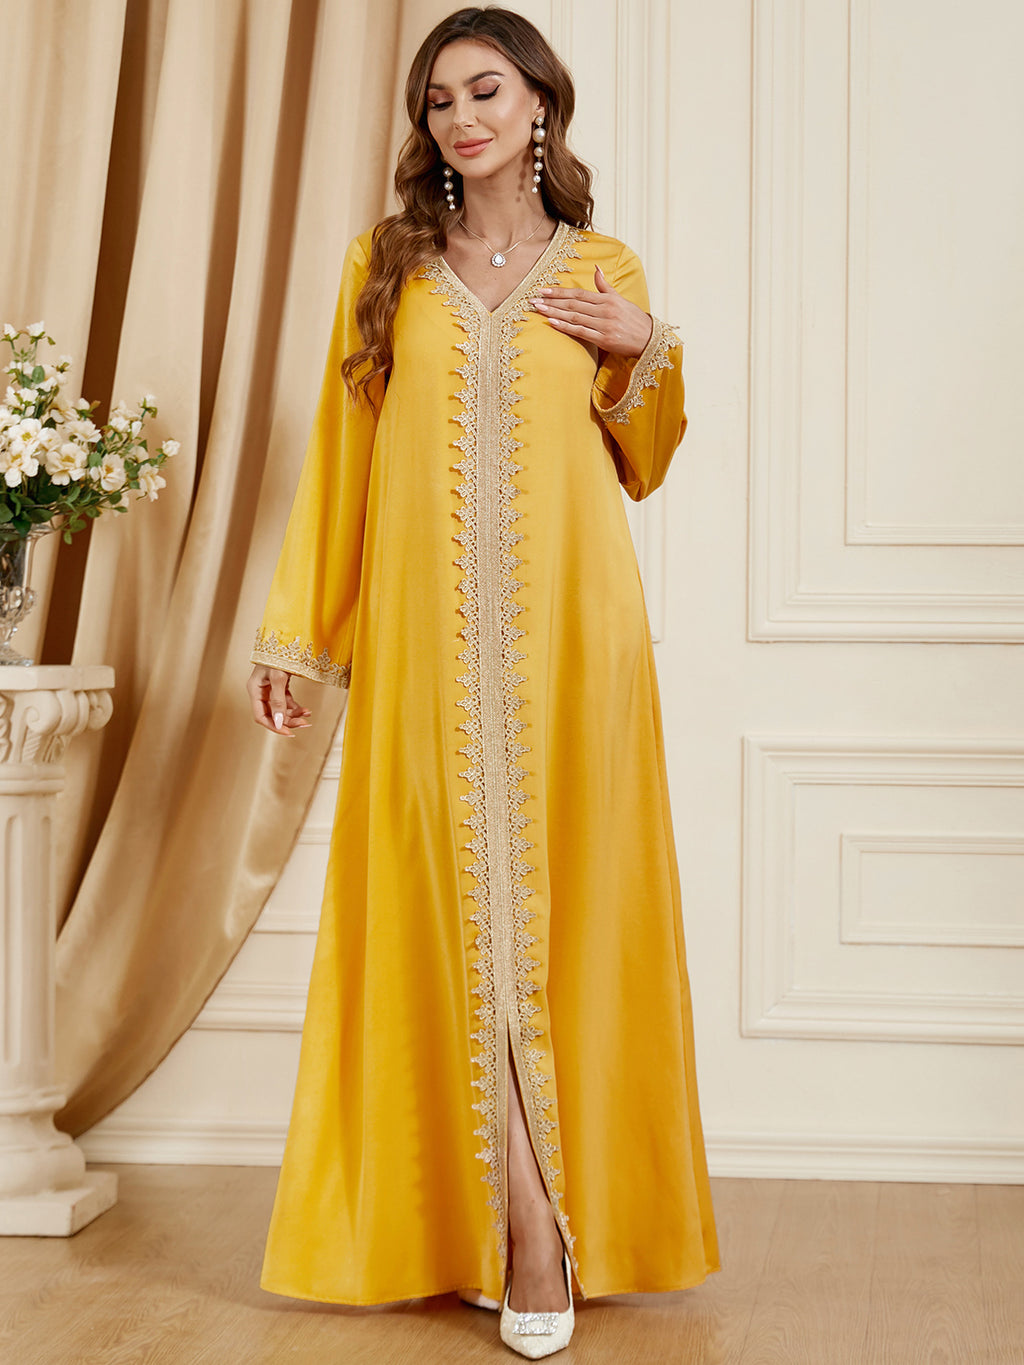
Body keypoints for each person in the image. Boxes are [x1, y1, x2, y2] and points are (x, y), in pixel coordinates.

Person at [246, 6, 719, 1358]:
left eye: (487, 90)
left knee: (568, 920)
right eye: (440, 99)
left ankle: (541, 1230)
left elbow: (645, 460)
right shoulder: (384, 266)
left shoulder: (602, 267)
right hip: (424, 655)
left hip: (579, 647)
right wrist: (300, 634)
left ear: (540, 104)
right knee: (448, 917)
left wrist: (643, 340)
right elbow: (342, 460)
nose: (462, 116)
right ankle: (515, 1231)